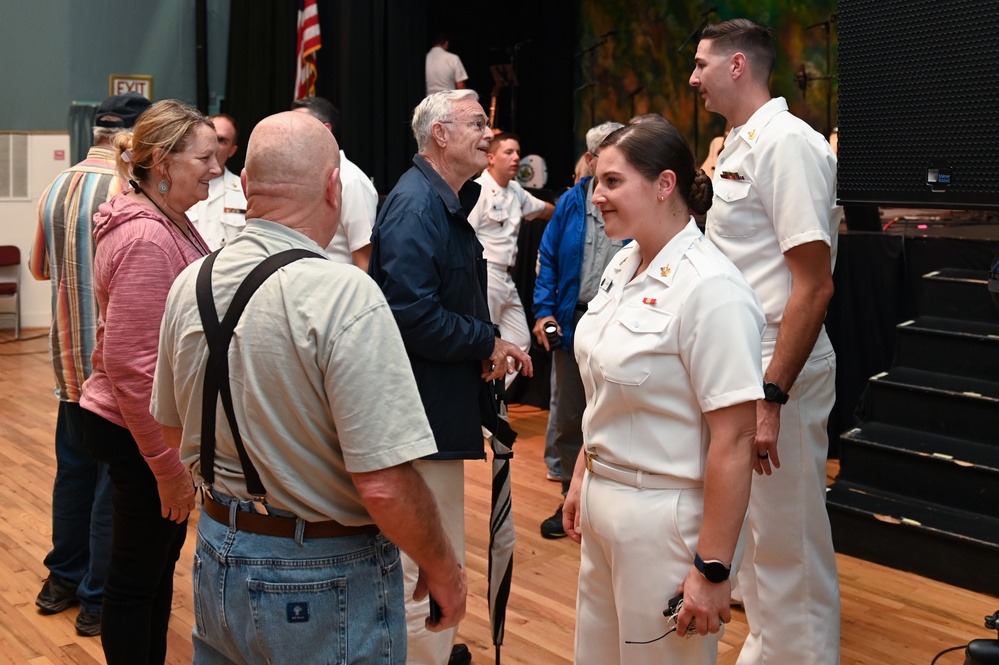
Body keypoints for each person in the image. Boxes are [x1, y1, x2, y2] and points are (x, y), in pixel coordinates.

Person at [150, 110, 466, 664]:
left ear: (244, 185)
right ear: (332, 187)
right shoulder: (344, 294)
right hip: (322, 574)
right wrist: (443, 568)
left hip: (216, 552)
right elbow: (385, 484)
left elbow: (171, 423)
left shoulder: (190, 281)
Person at [562, 117, 764, 665]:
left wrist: (713, 568)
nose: (596, 196)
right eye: (595, 182)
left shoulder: (712, 288)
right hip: (607, 505)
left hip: (665, 520)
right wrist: (584, 472)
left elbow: (735, 437)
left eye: (611, 181)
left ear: (664, 184)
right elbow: (609, 388)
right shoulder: (624, 263)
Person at [690, 19, 842, 665]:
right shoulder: (736, 143)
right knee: (755, 550)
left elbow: (812, 286)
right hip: (741, 368)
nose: (692, 78)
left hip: (781, 370)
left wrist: (772, 394)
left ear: (736, 66)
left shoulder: (787, 144)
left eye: (701, 64)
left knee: (789, 546)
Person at [369, 89, 532, 665]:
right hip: (423, 417)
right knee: (423, 572)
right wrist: (486, 340)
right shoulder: (418, 207)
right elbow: (409, 316)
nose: (489, 133)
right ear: (440, 134)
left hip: (436, 410)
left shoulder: (441, 200)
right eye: (478, 123)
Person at [79, 99, 218, 664]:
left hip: (149, 428)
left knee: (156, 572)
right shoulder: (147, 238)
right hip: (140, 432)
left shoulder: (165, 220)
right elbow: (133, 367)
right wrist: (167, 469)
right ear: (162, 161)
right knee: (137, 580)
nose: (216, 167)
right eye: (205, 157)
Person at [30, 91, 151, 638]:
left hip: (66, 364)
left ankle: (61, 579)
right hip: (112, 370)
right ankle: (97, 598)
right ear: (133, 139)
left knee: (73, 476)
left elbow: (37, 269)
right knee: (115, 486)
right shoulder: (128, 189)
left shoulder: (56, 185)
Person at [532, 121, 624, 539]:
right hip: (574, 322)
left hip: (622, 324)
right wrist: (543, 312)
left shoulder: (632, 200)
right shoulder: (571, 202)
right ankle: (572, 500)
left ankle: (610, 506)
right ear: (590, 159)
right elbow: (548, 259)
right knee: (571, 417)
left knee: (618, 411)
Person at [469, 132, 554, 373]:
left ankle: (494, 399)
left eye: (518, 152)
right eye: (508, 152)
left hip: (507, 277)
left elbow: (544, 210)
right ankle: (483, 405)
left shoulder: (516, 190)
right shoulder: (478, 189)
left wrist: (567, 211)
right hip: (485, 273)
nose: (516, 157)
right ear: (491, 158)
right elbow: (465, 235)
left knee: (521, 341)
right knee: (487, 345)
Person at [292, 96, 379, 271]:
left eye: (298, 126)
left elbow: (365, 260)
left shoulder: (351, 180)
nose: (290, 133)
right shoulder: (301, 176)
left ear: (325, 130)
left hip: (337, 293)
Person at [187, 114, 247, 250]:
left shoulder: (244, 192)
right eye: (210, 137)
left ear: (232, 150)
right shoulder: (178, 186)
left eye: (222, 140)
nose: (215, 146)